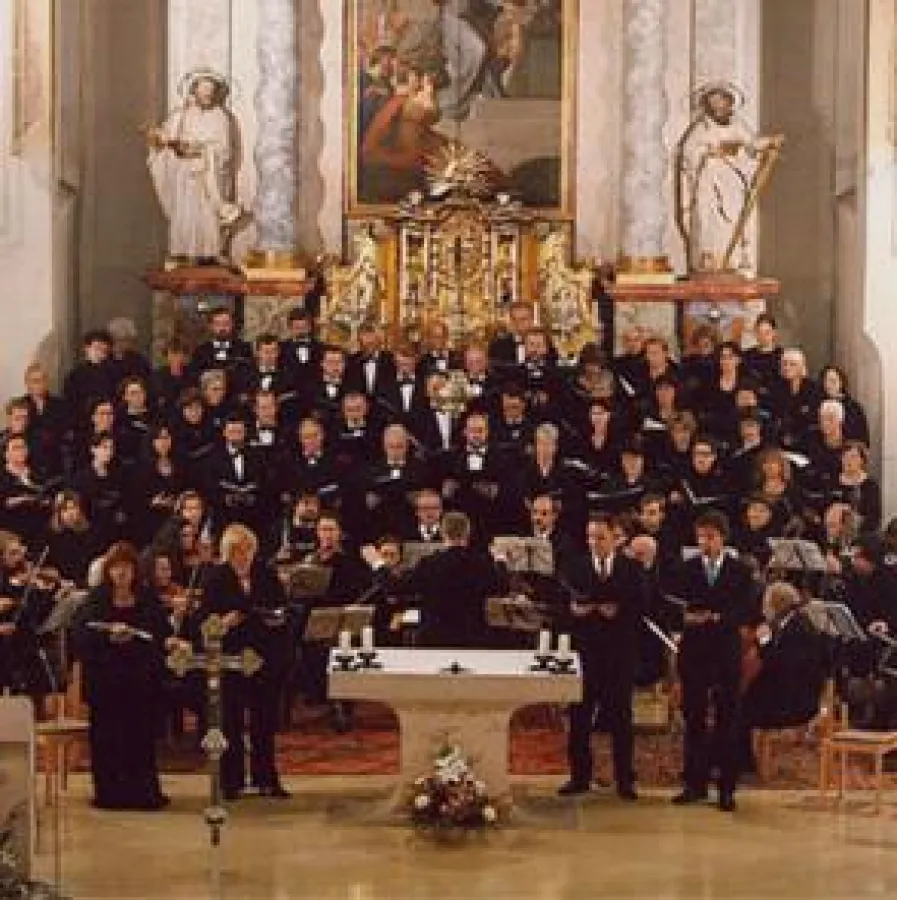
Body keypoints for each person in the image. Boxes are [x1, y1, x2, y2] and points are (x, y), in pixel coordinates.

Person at [72, 542, 177, 810]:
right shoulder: (95, 599)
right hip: (106, 680)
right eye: (116, 568)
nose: (121, 573)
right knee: (107, 738)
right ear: (108, 570)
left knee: (139, 737)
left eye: (126, 568)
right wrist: (108, 637)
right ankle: (110, 794)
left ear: (135, 570)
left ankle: (142, 793)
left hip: (139, 678)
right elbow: (81, 636)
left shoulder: (146, 597)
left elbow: (161, 633)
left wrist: (151, 640)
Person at [672, 511, 760, 811]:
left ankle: (726, 787)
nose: (704, 543)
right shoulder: (686, 569)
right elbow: (675, 606)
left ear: (722, 538)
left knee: (727, 719)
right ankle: (694, 784)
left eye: (710, 537)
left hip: (725, 651)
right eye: (700, 538)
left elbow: (747, 610)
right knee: (694, 717)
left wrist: (718, 618)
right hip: (695, 651)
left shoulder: (740, 571)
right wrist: (688, 617)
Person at [200, 523, 291, 800]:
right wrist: (223, 622)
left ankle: (267, 778)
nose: (244, 556)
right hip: (232, 656)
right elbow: (205, 622)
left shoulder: (266, 573)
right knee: (232, 722)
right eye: (237, 551)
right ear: (227, 553)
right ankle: (232, 781)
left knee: (264, 721)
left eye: (248, 550)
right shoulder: (215, 578)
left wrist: (276, 616)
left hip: (263, 655)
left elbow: (280, 607)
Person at [558, 513, 645, 800]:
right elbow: (560, 607)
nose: (594, 543)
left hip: (619, 653)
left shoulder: (632, 568)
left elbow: (643, 606)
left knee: (621, 718)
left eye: (600, 537)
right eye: (590, 537)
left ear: (615, 537)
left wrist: (619, 611)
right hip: (586, 653)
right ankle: (579, 777)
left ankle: (625, 780)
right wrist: (574, 612)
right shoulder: (575, 568)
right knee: (580, 717)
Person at [363, 511, 509, 648]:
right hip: (472, 640)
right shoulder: (480, 564)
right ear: (468, 532)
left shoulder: (429, 564)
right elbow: (503, 587)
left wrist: (377, 563)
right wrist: (501, 560)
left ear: (442, 532)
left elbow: (395, 589)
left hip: (434, 640)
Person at [147, 70, 241, 262]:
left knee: (207, 215)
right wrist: (159, 141)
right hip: (184, 174)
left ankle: (211, 254)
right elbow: (166, 141)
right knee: (185, 213)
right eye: (203, 88)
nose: (207, 93)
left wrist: (202, 150)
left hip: (209, 174)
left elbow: (225, 150)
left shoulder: (220, 116)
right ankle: (182, 252)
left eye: (211, 89)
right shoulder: (181, 116)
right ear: (194, 90)